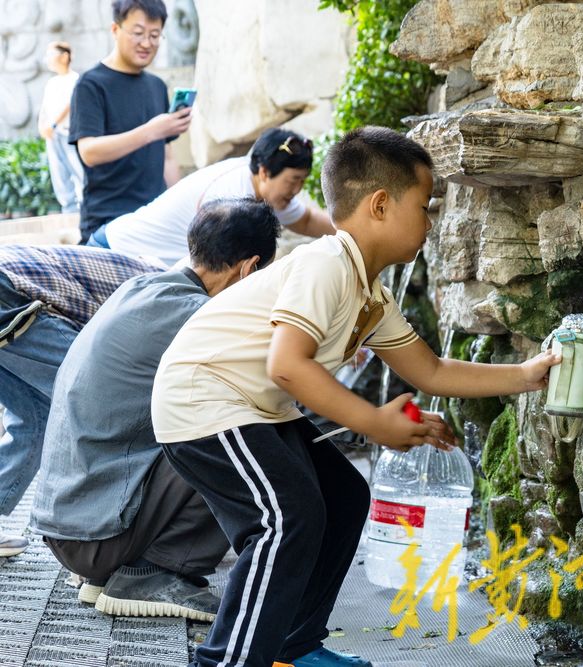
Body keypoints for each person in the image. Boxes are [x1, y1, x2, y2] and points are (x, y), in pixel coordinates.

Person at [151, 126, 560, 667]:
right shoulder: (326, 264)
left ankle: (293, 648)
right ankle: (227, 661)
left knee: (343, 497)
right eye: (425, 205)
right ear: (381, 205)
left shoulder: (369, 291)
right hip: (204, 399)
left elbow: (431, 371)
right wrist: (374, 422)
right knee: (285, 519)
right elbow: (287, 364)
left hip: (253, 406)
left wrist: (527, 375)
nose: (431, 221)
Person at [32, 198, 281, 623]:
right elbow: (275, 386)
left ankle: (124, 567)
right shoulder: (201, 318)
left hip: (68, 526)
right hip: (94, 537)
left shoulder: (142, 288)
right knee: (241, 430)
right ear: (249, 268)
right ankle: (156, 571)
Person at [0, 245, 159, 558]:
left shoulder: (146, 271)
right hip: (9, 293)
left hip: (12, 291)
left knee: (38, 417)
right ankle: (100, 539)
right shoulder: (168, 292)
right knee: (100, 401)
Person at [96, 128, 335, 266]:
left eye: (302, 181)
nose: (297, 190)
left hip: (147, 266)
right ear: (264, 172)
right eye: (293, 180)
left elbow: (307, 220)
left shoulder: (269, 193)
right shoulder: (232, 198)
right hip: (117, 252)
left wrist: (357, 229)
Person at [71, 0, 191, 243]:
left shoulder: (156, 86)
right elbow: (90, 152)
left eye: (155, 35)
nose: (147, 43)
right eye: (138, 33)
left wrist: (181, 208)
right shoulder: (91, 84)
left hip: (154, 221)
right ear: (115, 30)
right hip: (107, 225)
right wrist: (150, 131)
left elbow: (167, 156)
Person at [37, 41, 85, 214]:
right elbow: (44, 108)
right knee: (59, 174)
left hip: (69, 133)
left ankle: (83, 208)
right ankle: (69, 210)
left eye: (51, 55)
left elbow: (70, 104)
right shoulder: (52, 82)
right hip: (52, 135)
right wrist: (42, 126)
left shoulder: (75, 79)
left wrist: (54, 123)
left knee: (78, 171)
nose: (47, 60)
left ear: (65, 56)